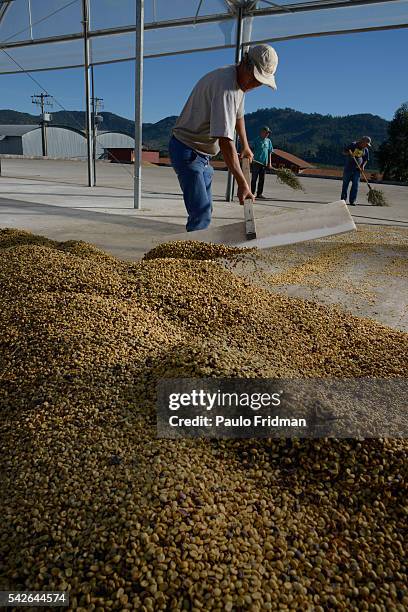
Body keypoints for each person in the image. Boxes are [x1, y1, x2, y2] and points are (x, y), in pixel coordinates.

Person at [169, 44, 279, 231]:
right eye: (255, 79)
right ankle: (194, 258)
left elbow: (239, 116)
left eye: (260, 82)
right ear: (246, 64)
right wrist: (243, 183)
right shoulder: (226, 87)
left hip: (202, 155)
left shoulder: (239, 84)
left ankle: (198, 251)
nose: (255, 85)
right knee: (200, 212)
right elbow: (225, 142)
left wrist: (245, 145)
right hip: (187, 150)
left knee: (206, 208)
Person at [341, 136, 371, 206]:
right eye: (366, 144)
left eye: (367, 145)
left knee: (355, 185)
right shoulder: (353, 145)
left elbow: (366, 159)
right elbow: (343, 152)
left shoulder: (365, 149)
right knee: (345, 184)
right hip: (348, 168)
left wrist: (363, 165)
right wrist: (349, 153)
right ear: (362, 141)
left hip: (357, 170)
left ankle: (352, 201)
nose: (367, 146)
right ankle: (343, 200)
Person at [251, 126, 273, 199]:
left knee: (262, 179)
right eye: (266, 132)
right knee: (254, 179)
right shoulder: (256, 140)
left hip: (264, 164)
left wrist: (269, 163)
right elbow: (251, 150)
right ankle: (252, 193)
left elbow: (269, 152)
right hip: (256, 162)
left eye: (268, 133)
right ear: (262, 132)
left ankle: (259, 194)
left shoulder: (268, 141)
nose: (267, 134)